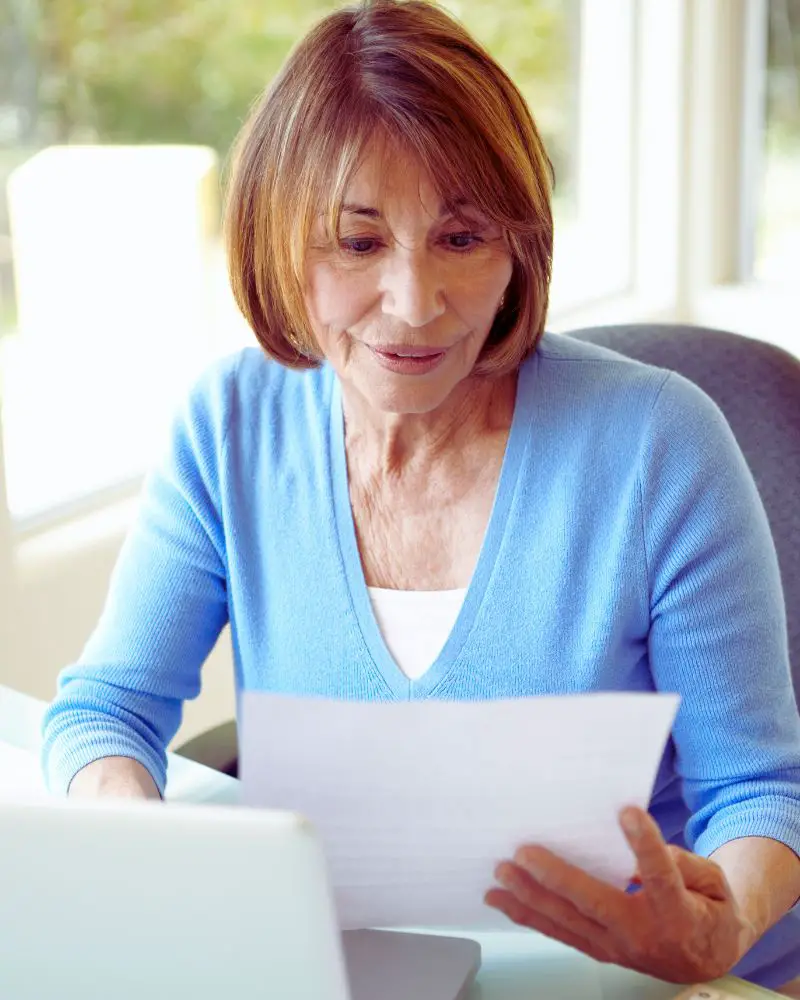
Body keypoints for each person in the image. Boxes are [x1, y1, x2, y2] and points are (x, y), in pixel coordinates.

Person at [41, 0, 800, 992]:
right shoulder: (230, 425)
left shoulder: (658, 442)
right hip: (348, 972)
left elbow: (759, 794)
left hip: (643, 979)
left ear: (517, 249)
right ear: (278, 241)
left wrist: (718, 926)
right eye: (357, 243)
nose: (412, 303)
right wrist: (142, 855)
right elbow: (104, 708)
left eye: (460, 237)